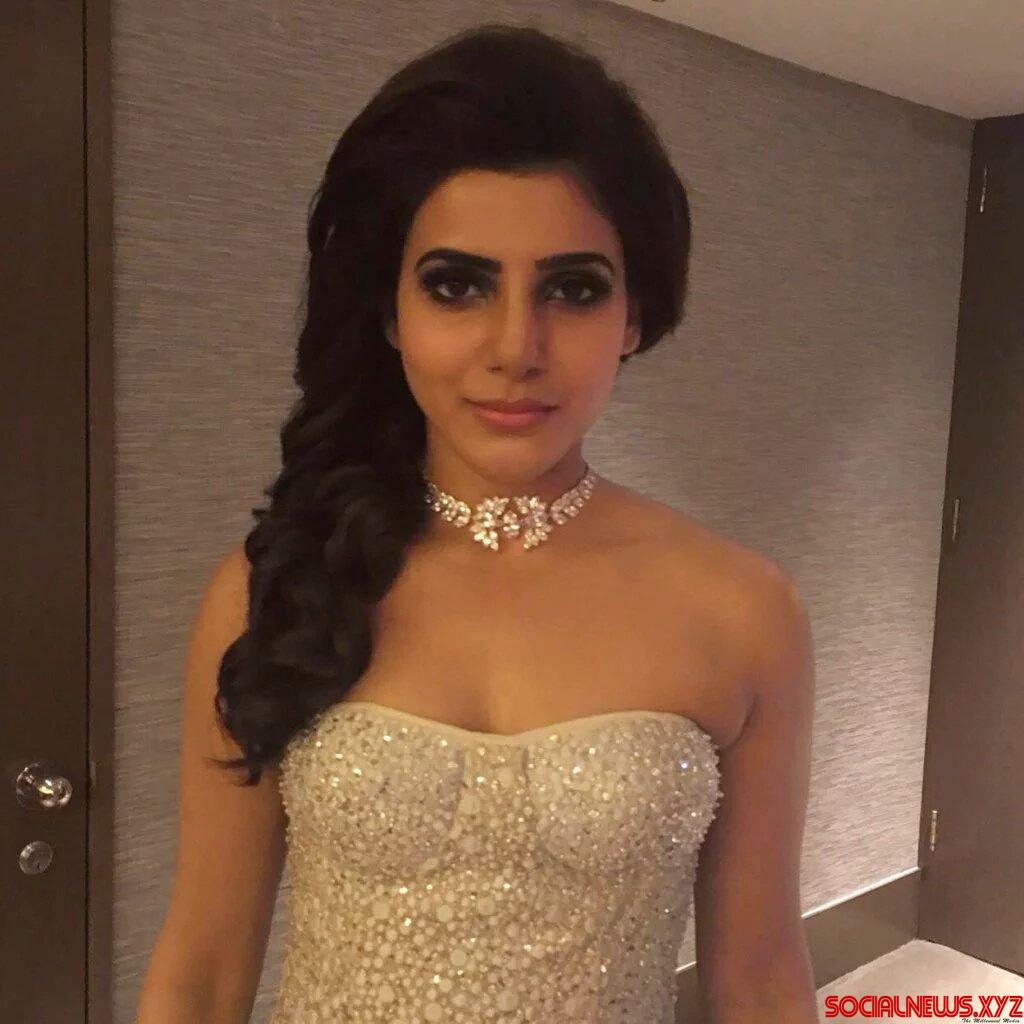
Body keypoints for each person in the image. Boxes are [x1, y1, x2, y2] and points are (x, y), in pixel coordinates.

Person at [135, 21, 818, 1024]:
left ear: (633, 314)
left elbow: (758, 980)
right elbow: (200, 971)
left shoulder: (743, 610)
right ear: (389, 311)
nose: (515, 347)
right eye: (457, 285)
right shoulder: (274, 585)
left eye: (572, 289)